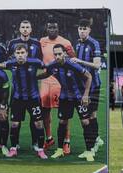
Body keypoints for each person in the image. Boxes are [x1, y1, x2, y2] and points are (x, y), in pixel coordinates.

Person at [38, 44, 95, 161]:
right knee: (62, 121)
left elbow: (89, 76)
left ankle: (89, 151)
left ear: (64, 53)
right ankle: (59, 149)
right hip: (64, 97)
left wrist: (85, 95)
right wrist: (35, 77)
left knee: (85, 121)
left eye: (60, 54)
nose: (58, 56)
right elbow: (47, 73)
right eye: (56, 54)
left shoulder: (72, 64)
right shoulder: (52, 65)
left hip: (79, 96)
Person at [0, 43, 47, 159]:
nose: (20, 55)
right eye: (18, 53)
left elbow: (48, 68)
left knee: (38, 123)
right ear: (14, 54)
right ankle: (13, 148)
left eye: (22, 53)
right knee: (14, 124)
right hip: (17, 99)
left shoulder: (35, 62)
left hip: (33, 98)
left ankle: (40, 150)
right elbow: (0, 65)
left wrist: (39, 77)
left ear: (27, 54)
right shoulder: (11, 64)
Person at [39, 19, 75, 154]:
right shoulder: (42, 41)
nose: (52, 30)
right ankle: (48, 138)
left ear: (58, 29)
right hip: (45, 81)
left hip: (60, 81)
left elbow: (72, 59)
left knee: (64, 113)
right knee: (45, 110)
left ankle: (66, 141)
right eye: (50, 28)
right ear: (46, 29)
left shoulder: (65, 43)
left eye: (55, 27)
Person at [7, 20, 43, 151]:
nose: (25, 29)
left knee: (35, 119)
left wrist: (37, 76)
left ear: (31, 29)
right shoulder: (12, 43)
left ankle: (35, 143)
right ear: (19, 29)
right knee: (16, 119)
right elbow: (8, 61)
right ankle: (14, 145)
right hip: (17, 85)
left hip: (32, 85)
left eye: (27, 27)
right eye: (23, 27)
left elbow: (41, 63)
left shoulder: (36, 44)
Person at [71, 18, 104, 153]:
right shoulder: (77, 44)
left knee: (92, 115)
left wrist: (79, 61)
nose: (82, 31)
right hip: (82, 86)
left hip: (94, 84)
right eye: (80, 29)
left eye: (85, 29)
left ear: (89, 30)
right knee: (88, 115)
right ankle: (96, 140)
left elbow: (97, 65)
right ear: (78, 30)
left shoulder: (94, 43)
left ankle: (95, 141)